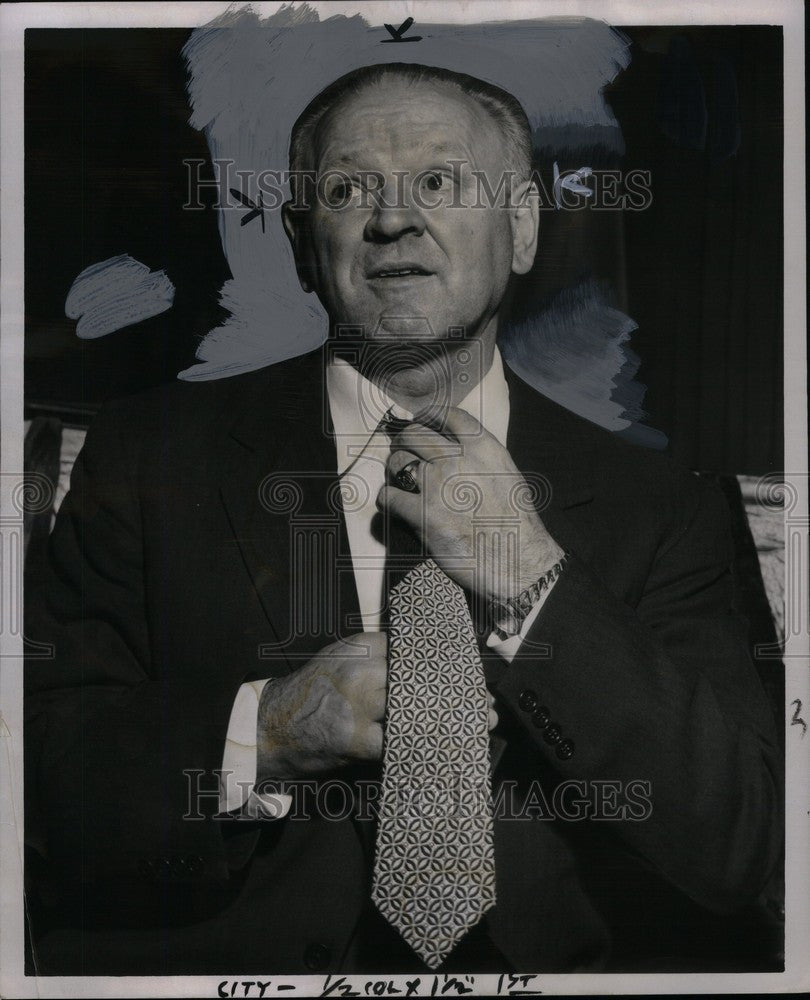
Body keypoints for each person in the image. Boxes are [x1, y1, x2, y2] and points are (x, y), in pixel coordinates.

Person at [25, 62, 782, 976]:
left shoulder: (667, 505)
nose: (394, 220)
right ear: (306, 246)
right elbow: (34, 784)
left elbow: (742, 843)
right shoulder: (150, 455)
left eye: (440, 181)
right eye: (349, 189)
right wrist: (263, 735)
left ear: (524, 226)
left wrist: (533, 578)